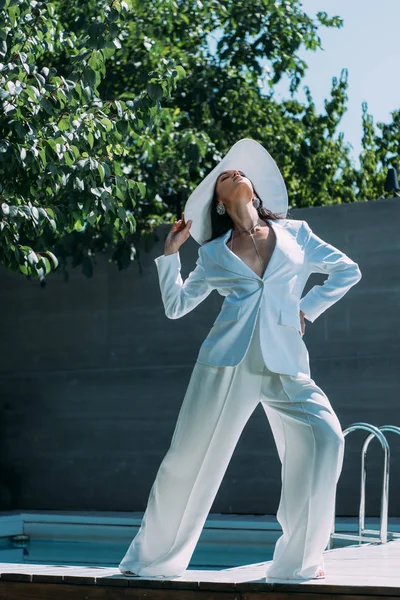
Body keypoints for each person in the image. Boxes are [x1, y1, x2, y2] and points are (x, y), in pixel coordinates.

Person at [118, 138, 362, 581]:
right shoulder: (211, 254)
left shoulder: (297, 234)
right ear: (219, 201)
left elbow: (348, 270)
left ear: (254, 190)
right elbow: (177, 306)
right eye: (225, 176)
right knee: (187, 460)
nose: (234, 173)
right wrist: (171, 257)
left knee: (327, 439)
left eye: (240, 172)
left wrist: (307, 308)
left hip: (286, 361)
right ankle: (148, 563)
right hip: (225, 364)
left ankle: (297, 564)